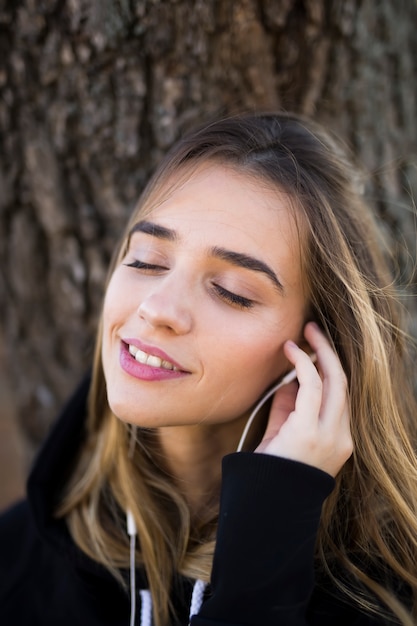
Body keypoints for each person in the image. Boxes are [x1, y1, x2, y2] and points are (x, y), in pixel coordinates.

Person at [1, 112, 417, 626]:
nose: (158, 307)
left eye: (232, 292)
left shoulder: (383, 598)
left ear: (318, 349)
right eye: (147, 260)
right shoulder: (16, 563)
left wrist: (265, 561)